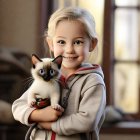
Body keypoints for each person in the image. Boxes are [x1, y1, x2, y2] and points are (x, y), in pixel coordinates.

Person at [12, 7, 106, 140]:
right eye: (61, 42)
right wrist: (40, 115)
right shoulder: (47, 76)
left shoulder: (92, 81)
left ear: (92, 44)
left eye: (78, 42)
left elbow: (87, 121)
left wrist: (49, 125)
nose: (69, 50)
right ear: (50, 44)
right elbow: (18, 107)